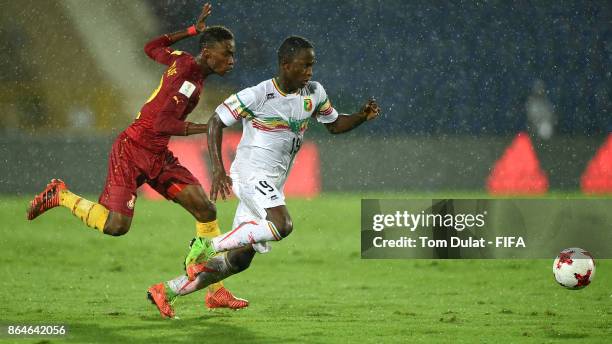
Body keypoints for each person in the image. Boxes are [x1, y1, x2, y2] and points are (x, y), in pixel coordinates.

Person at [25, 3, 247, 311]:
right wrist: (208, 125)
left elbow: (151, 47)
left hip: (157, 153)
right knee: (117, 226)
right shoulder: (187, 77)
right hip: (132, 151)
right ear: (208, 53)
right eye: (228, 53)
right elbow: (162, 124)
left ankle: (214, 290)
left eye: (233, 53)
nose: (233, 60)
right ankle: (60, 195)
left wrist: (192, 30)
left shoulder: (182, 59)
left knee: (206, 210)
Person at [147, 35, 380, 318]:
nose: (309, 72)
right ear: (285, 65)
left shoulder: (314, 93)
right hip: (250, 174)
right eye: (304, 66)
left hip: (271, 183)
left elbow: (334, 125)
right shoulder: (258, 95)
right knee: (282, 224)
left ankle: (167, 290)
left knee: (240, 259)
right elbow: (217, 120)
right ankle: (206, 245)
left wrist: (360, 116)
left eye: (312, 66)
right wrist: (218, 168)